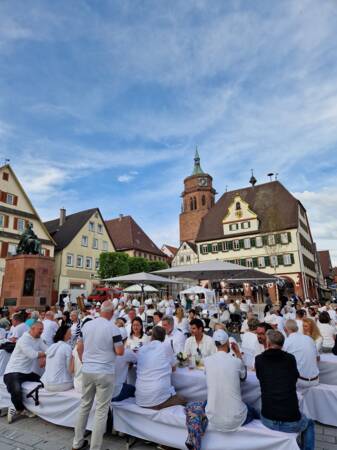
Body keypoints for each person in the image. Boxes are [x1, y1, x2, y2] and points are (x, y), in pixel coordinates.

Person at [185, 330, 258, 450]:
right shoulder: (236, 361)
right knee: (254, 410)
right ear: (228, 344)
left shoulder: (208, 361)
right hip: (236, 418)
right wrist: (238, 354)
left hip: (213, 416)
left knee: (200, 404)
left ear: (215, 344)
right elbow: (243, 377)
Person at [72, 301, 124, 450]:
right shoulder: (113, 328)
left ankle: (77, 443)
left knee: (84, 405)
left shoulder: (87, 325)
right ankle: (95, 447)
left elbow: (79, 347)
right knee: (101, 410)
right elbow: (120, 352)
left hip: (88, 369)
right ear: (112, 312)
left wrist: (85, 361)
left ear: (100, 310)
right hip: (105, 371)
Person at [255, 330, 315, 450]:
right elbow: (294, 377)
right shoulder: (290, 358)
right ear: (282, 344)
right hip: (291, 420)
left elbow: (260, 376)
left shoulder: (259, 359)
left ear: (267, 343)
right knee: (309, 423)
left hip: (268, 418)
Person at [4, 322, 47, 423]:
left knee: (43, 382)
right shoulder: (23, 340)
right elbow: (32, 355)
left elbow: (47, 349)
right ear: (32, 328)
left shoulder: (38, 338)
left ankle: (25, 407)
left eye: (42, 329)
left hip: (26, 372)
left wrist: (49, 352)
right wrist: (46, 354)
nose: (42, 331)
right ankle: (19, 409)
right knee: (16, 390)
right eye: (40, 329)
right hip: (12, 371)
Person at [135, 326, 186, 410]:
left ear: (152, 336)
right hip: (156, 400)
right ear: (164, 337)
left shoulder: (142, 349)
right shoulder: (166, 347)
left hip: (140, 399)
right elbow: (173, 368)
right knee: (183, 400)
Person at [283, 319, 319, 389]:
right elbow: (318, 358)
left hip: (300, 381)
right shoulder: (309, 339)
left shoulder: (287, 342)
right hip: (315, 380)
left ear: (285, 329)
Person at [41, 325, 73, 392]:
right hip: (61, 384)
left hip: (46, 383)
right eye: (70, 333)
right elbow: (70, 369)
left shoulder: (51, 347)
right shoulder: (67, 347)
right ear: (64, 335)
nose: (71, 334)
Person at [112, 327, 137, 402]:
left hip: (104, 391)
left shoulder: (105, 351)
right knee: (137, 390)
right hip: (117, 392)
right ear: (125, 339)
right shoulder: (127, 352)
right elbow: (138, 360)